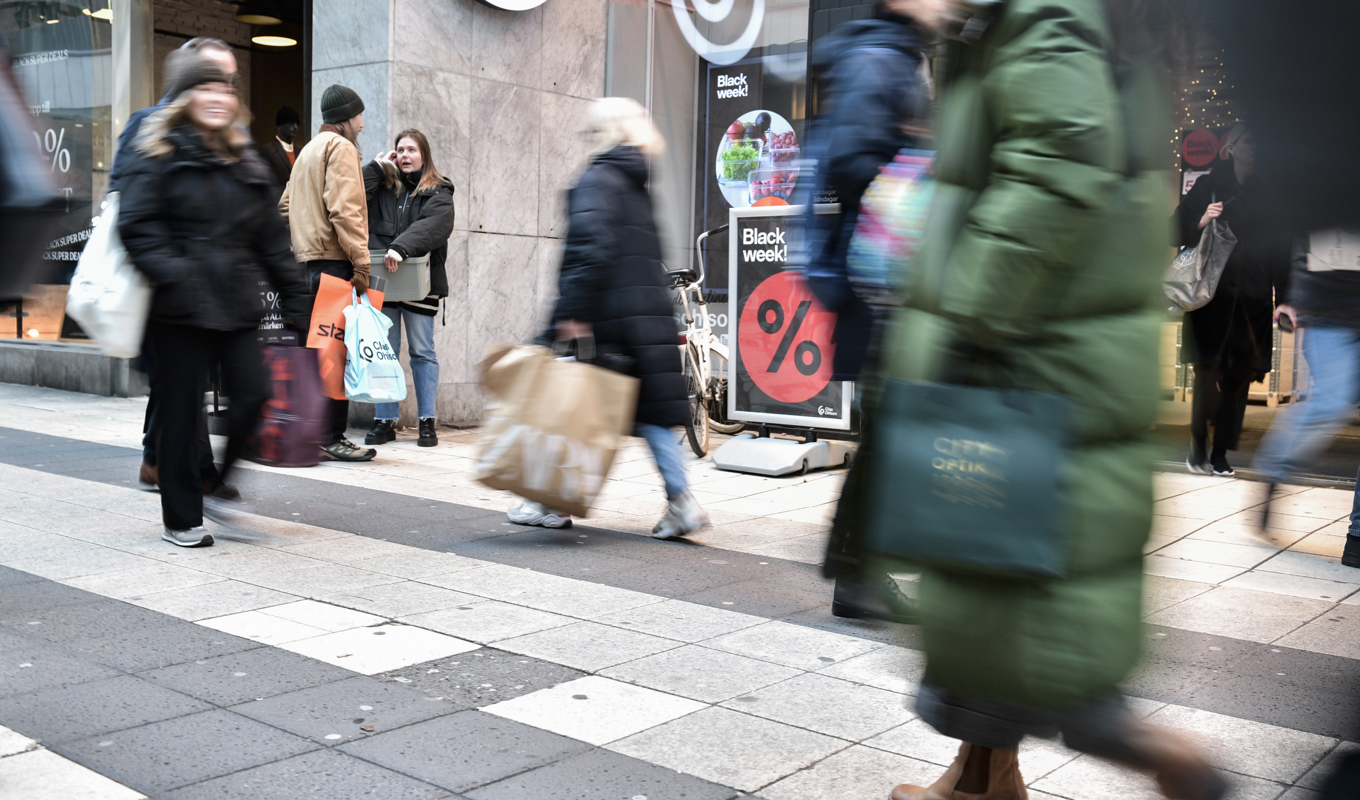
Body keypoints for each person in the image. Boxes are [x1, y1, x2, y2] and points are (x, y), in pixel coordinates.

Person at [873, 1, 1226, 798]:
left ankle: (1160, 756)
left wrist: (968, 306)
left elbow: (1062, 161)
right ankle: (978, 784)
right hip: (1045, 353)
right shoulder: (1037, 19)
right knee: (993, 598)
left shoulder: (1043, 15)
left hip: (1027, 356)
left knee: (1029, 620)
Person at [117, 49, 310, 547]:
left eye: (224, 88)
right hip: (176, 308)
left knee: (255, 394)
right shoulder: (155, 151)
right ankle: (181, 518)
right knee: (181, 416)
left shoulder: (242, 156)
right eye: (204, 87)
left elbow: (269, 237)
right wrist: (177, 274)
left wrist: (295, 297)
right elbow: (137, 227)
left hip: (237, 305)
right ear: (183, 96)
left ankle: (218, 486)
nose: (217, 97)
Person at [508, 97, 708, 538]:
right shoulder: (636, 182)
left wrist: (571, 313)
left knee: (572, 410)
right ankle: (682, 503)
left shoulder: (598, 179)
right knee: (651, 415)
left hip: (607, 322)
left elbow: (588, 252)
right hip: (647, 319)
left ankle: (549, 501)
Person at [803, 0, 930, 626]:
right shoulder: (880, 57)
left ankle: (855, 570)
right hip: (883, 281)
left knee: (890, 431)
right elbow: (856, 162)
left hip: (882, 280)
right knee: (891, 430)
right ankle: (855, 570)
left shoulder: (896, 55)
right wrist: (921, 155)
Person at [109, 37, 237, 497]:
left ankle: (157, 458)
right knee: (179, 381)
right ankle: (188, 470)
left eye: (229, 81)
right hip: (167, 281)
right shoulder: (148, 123)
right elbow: (121, 196)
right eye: (214, 78)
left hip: (205, 283)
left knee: (181, 382)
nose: (222, 90)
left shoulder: (222, 132)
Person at [1178, 124, 1292, 477]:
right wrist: (1201, 219)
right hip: (1211, 296)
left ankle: (1220, 453)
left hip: (1253, 297)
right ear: (1231, 148)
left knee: (1238, 378)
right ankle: (1198, 444)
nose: (1255, 147)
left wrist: (1284, 299)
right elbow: (1175, 227)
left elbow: (1280, 252)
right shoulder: (1207, 185)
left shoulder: (1272, 195)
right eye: (1249, 141)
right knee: (1207, 371)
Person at [278, 84, 376, 462]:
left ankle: (310, 431)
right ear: (347, 119)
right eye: (359, 117)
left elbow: (284, 208)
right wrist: (362, 262)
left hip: (306, 266)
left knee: (312, 352)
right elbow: (345, 210)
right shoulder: (341, 148)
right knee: (335, 352)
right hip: (334, 264)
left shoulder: (306, 153)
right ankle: (332, 436)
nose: (363, 124)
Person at [1252, 233, 1360, 567]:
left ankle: (1358, 536)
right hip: (1331, 310)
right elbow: (1299, 230)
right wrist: (1289, 296)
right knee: (1330, 403)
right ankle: (1275, 468)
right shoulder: (1331, 183)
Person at [361, 129, 455, 447]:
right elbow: (353, 196)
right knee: (382, 352)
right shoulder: (384, 186)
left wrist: (400, 247)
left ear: (424, 155)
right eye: (400, 150)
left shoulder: (439, 190)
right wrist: (376, 168)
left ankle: (427, 421)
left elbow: (433, 225)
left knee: (422, 351)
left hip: (420, 283)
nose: (404, 155)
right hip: (384, 283)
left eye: (411, 150)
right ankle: (384, 420)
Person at [259, 106, 299, 198]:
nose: (295, 127)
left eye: (297, 123)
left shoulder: (301, 152)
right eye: (291, 123)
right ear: (280, 125)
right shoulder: (267, 150)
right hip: (277, 204)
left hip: (297, 205)